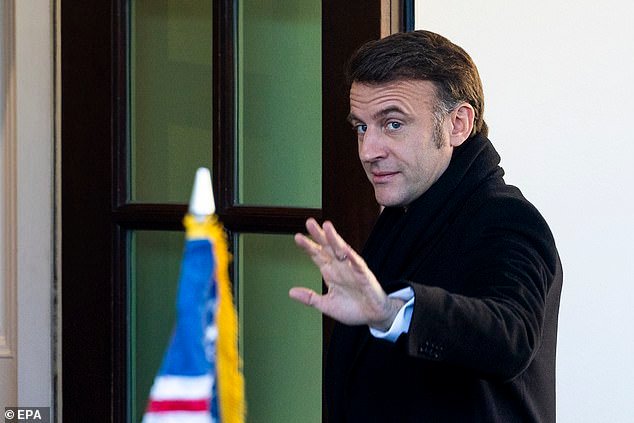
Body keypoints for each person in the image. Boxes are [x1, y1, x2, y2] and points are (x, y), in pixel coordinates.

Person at [289, 30, 563, 422]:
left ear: (458, 124)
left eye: (393, 124)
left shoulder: (506, 217)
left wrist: (392, 312)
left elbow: (512, 335)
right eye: (361, 127)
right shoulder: (407, 210)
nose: (368, 151)